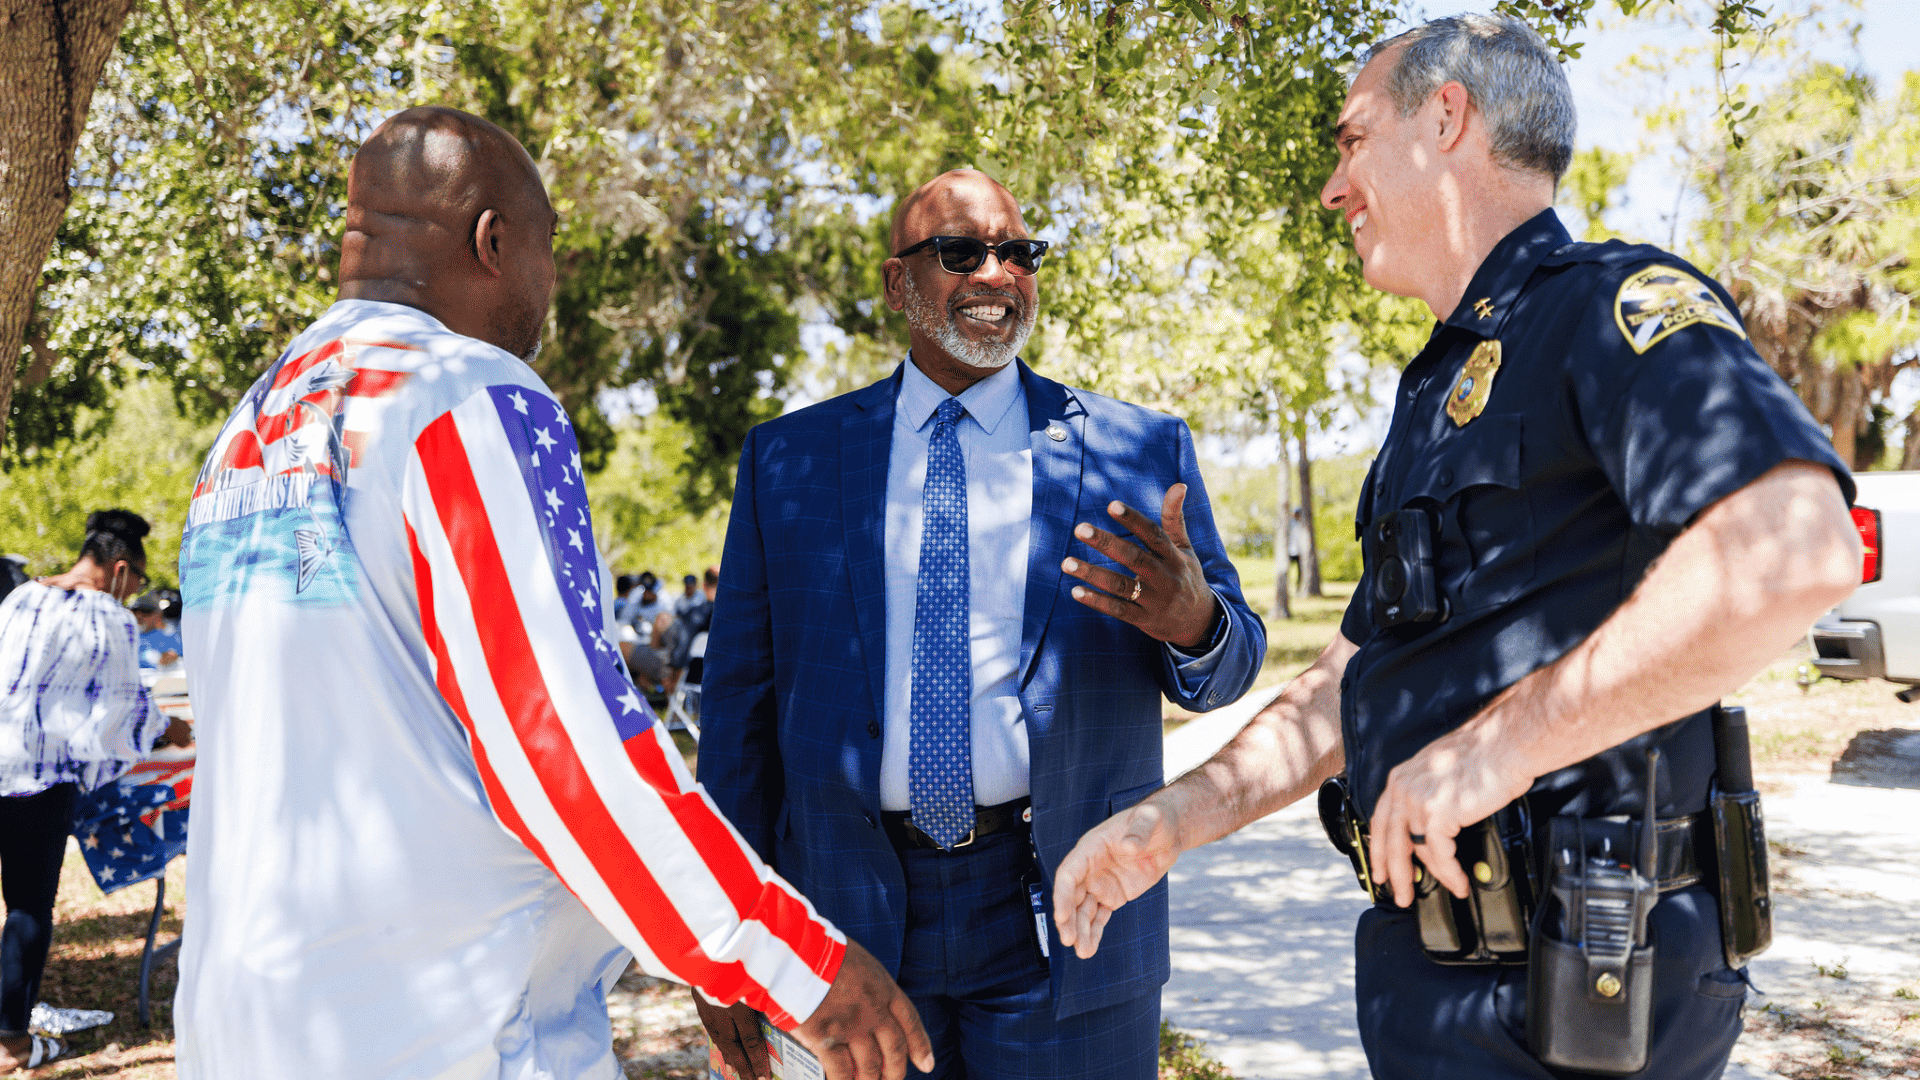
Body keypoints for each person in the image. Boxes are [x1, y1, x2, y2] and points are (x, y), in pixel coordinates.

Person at [1048, 16, 1859, 1080]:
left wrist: (1498, 748)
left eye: (1350, 140)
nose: (1334, 187)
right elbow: (1349, 685)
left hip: (1589, 995)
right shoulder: (1434, 392)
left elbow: (1795, 548)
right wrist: (1173, 819)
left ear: (1445, 117)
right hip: (1441, 992)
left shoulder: (1608, 307)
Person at [174, 106, 930, 1080]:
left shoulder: (249, 429)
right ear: (493, 241)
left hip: (245, 1031)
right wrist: (789, 960)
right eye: (549, 249)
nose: (552, 283)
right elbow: (563, 751)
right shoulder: (469, 396)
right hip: (449, 1038)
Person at [695, 168, 1267, 1080]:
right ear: (897, 283)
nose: (996, 275)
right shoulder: (789, 461)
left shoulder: (1136, 450)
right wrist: (719, 935)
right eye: (961, 253)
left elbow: (1232, 666)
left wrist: (1194, 623)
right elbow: (737, 716)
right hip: (850, 920)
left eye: (1018, 253)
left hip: (1067, 916)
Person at [0, 510, 184, 1071]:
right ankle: (9, 1042)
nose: (137, 595)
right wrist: (170, 730)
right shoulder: (109, 616)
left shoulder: (20, 599)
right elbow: (122, 709)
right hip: (42, 776)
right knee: (28, 908)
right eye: (138, 583)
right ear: (121, 569)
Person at [131, 593, 183, 669]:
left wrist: (173, 657)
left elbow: (181, 657)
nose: (139, 615)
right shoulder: (127, 636)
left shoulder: (171, 637)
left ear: (159, 614)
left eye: (145, 612)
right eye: (135, 611)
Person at [1285, 507, 1309, 595]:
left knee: (1300, 573)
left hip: (1299, 552)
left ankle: (1298, 590)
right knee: (1287, 571)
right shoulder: (1290, 524)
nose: (1297, 515)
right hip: (1290, 551)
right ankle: (1287, 589)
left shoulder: (1302, 524)